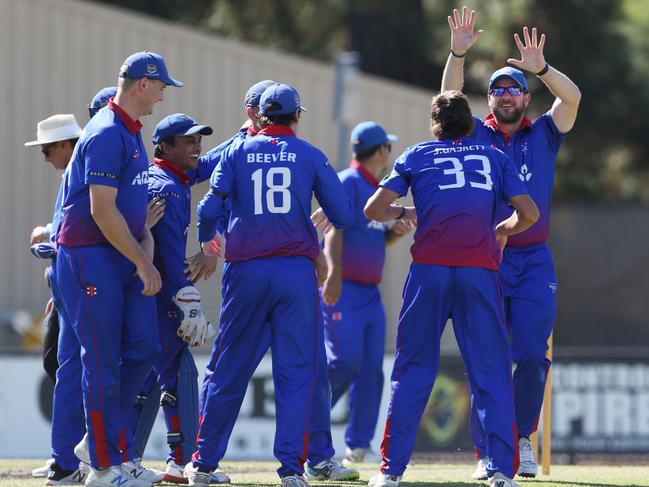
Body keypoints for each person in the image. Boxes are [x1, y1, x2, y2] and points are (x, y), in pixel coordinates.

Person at [364, 90, 539, 487]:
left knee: (411, 370)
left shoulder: (416, 154)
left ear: (434, 125)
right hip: (479, 271)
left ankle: (391, 471)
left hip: (429, 272)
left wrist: (406, 211)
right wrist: (504, 229)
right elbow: (529, 213)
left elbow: (372, 210)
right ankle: (500, 471)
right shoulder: (495, 157)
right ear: (472, 125)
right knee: (491, 371)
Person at [188, 83, 354, 487]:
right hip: (294, 274)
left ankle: (204, 463)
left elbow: (208, 206)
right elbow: (343, 214)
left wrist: (209, 240)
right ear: (296, 116)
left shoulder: (236, 151)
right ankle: (292, 470)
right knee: (297, 372)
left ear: (259, 116)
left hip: (244, 272)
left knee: (228, 368)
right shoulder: (310, 155)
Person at [441, 6, 581, 478]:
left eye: (513, 89)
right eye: (497, 89)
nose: (505, 96)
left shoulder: (543, 132)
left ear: (525, 98)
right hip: (485, 258)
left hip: (534, 260)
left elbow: (574, 97)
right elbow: (446, 96)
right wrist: (458, 54)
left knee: (531, 356)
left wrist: (540, 68)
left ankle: (519, 438)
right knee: (487, 356)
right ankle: (489, 452)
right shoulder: (474, 134)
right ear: (488, 99)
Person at [55, 51, 181, 487]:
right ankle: (104, 467)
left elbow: (130, 212)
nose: (163, 95)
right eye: (162, 85)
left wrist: (142, 244)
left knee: (144, 350)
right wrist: (143, 259)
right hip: (92, 256)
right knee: (101, 362)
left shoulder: (130, 132)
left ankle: (98, 442)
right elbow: (102, 211)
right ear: (143, 84)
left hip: (119, 255)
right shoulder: (108, 131)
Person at [126, 113, 222, 484]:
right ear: (164, 146)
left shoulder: (172, 178)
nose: (197, 146)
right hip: (155, 293)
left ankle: (125, 457)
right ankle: (180, 461)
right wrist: (186, 300)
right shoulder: (166, 186)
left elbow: (217, 161)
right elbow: (164, 257)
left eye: (199, 139)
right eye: (188, 140)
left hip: (145, 292)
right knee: (178, 373)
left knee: (147, 376)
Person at [314, 121, 409, 469]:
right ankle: (310, 426)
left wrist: (394, 234)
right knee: (344, 361)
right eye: (388, 147)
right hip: (346, 289)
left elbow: (369, 238)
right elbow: (333, 230)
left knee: (371, 371)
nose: (390, 153)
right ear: (381, 150)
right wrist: (334, 274)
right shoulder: (349, 181)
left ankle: (357, 446)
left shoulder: (374, 187)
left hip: (369, 294)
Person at [25, 114, 88, 485]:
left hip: (77, 279)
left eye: (48, 149)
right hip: (66, 282)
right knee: (62, 366)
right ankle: (67, 458)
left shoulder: (77, 174)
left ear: (66, 144)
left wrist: (46, 233)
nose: (47, 157)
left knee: (75, 369)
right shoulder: (74, 173)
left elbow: (73, 228)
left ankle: (73, 457)